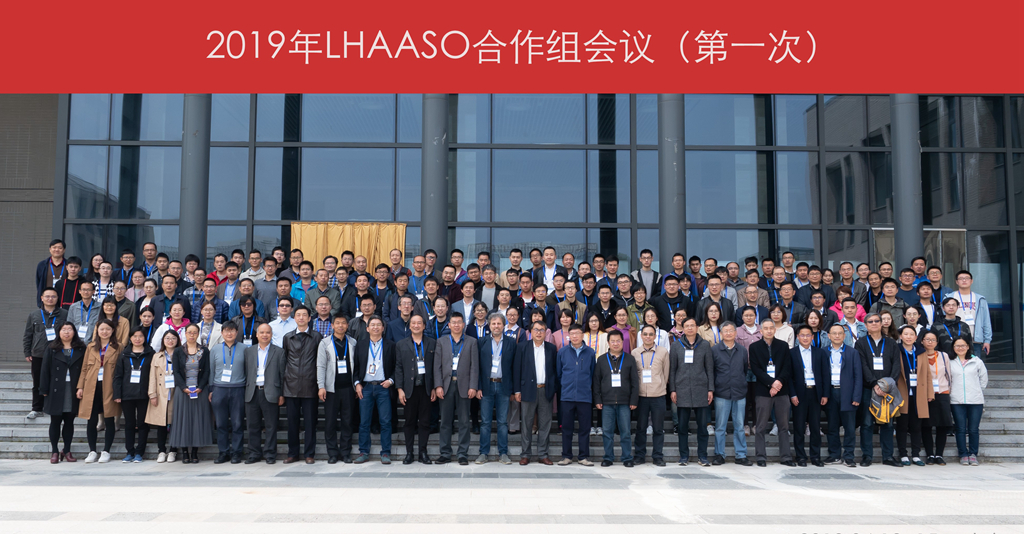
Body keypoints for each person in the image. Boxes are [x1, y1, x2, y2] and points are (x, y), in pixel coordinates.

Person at [433, 312, 478, 465]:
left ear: (464, 325)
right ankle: (445, 453)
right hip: (446, 385)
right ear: (449, 325)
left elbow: (474, 367)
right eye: (454, 322)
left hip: (465, 385)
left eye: (459, 322)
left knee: (464, 421)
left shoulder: (472, 342)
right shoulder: (441, 342)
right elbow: (437, 366)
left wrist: (473, 386)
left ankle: (462, 453)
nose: (457, 325)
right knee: (445, 421)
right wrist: (438, 385)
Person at [749, 318, 794, 467]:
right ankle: (761, 457)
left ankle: (786, 457)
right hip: (763, 390)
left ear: (775, 330)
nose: (769, 331)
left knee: (784, 426)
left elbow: (787, 367)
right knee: (761, 426)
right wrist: (771, 383)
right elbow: (756, 369)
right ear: (761, 331)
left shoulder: (783, 345)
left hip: (782, 390)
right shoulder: (754, 347)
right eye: (766, 328)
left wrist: (778, 382)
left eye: (771, 328)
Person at [669, 317, 715, 466]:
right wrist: (673, 389)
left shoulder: (705, 345)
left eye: (692, 325)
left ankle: (703, 456)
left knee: (702, 427)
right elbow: (672, 369)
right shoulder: (676, 346)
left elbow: (709, 369)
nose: (689, 328)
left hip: (701, 389)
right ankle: (684, 456)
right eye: (687, 326)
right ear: (683, 329)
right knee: (682, 427)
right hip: (682, 389)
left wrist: (710, 389)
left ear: (697, 328)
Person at [351, 315, 396, 464]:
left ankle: (386, 453)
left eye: (378, 325)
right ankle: (363, 452)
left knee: (385, 421)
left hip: (383, 387)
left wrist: (391, 381)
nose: (375, 327)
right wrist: (357, 383)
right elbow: (356, 367)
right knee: (364, 422)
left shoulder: (390, 345)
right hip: (366, 387)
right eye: (373, 325)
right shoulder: (361, 345)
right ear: (367, 328)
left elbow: (397, 366)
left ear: (383, 328)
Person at [473, 313, 516, 465]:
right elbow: (477, 366)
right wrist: (478, 387)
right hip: (486, 386)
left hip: (504, 385)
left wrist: (513, 389)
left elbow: (515, 367)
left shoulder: (511, 342)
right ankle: (483, 453)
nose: (496, 326)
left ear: (503, 325)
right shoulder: (482, 342)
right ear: (489, 325)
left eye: (499, 323)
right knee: (485, 422)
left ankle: (503, 453)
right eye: (493, 324)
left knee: (502, 422)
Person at [39, 322, 85, 463]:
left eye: (69, 329)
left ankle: (67, 450)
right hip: (55, 388)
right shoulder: (52, 348)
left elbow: (85, 369)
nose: (66, 332)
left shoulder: (81, 348)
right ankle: (54, 451)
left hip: (72, 388)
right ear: (59, 332)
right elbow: (45, 369)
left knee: (69, 421)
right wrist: (44, 389)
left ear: (74, 332)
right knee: (55, 421)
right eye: (63, 329)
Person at [76, 319, 120, 463]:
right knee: (91, 419)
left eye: (108, 329)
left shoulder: (118, 347)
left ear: (112, 331)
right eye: (102, 329)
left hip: (109, 386)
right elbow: (84, 368)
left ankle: (106, 451)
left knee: (109, 418)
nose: (104, 332)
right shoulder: (91, 346)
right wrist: (80, 387)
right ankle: (92, 451)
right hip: (91, 386)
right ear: (97, 331)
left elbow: (121, 370)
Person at [393, 314, 435, 465]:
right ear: (409, 326)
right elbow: (398, 368)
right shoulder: (401, 344)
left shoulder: (432, 343)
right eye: (413, 323)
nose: (416, 325)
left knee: (425, 422)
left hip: (426, 389)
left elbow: (435, 367)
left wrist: (435, 387)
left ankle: (423, 452)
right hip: (409, 390)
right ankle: (409, 452)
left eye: (419, 323)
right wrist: (399, 389)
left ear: (424, 326)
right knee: (409, 422)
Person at [514, 321, 558, 465]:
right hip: (527, 390)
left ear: (546, 332)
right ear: (531, 332)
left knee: (545, 424)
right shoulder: (522, 347)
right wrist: (517, 390)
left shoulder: (551, 348)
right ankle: (525, 454)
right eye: (536, 329)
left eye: (542, 330)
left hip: (546, 390)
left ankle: (543, 454)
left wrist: (553, 388)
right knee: (526, 423)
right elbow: (517, 369)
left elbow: (555, 370)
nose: (539, 332)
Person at [593, 329, 638, 467]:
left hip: (625, 401)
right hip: (607, 402)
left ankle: (627, 457)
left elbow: (635, 382)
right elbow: (596, 382)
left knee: (625, 432)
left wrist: (634, 400)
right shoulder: (601, 360)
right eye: (612, 341)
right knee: (607, 432)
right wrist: (597, 399)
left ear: (623, 342)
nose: (616, 343)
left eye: (618, 341)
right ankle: (608, 457)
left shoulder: (630, 359)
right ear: (608, 342)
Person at [169, 323, 213, 464]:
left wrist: (201, 387)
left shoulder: (204, 350)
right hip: (183, 391)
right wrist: (183, 387)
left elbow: (207, 371)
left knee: (197, 420)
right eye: (189, 332)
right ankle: (184, 452)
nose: (192, 335)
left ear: (198, 334)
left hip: (199, 390)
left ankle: (194, 451)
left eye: (195, 332)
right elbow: (176, 371)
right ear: (185, 334)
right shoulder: (178, 351)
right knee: (183, 420)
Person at [710, 322, 752, 466]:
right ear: (721, 333)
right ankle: (719, 454)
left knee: (739, 426)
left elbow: (744, 370)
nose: (728, 333)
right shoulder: (715, 350)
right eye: (725, 331)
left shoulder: (742, 350)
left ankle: (741, 455)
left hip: (739, 392)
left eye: (731, 331)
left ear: (735, 333)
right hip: (722, 392)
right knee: (720, 426)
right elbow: (712, 371)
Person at [244, 323, 285, 464]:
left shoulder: (279, 352)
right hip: (252, 392)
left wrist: (281, 394)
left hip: (271, 392)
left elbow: (282, 374)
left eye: (267, 332)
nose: (264, 335)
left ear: (271, 335)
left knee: (271, 426)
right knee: (252, 425)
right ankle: (254, 454)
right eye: (261, 332)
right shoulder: (249, 351)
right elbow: (246, 372)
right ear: (256, 334)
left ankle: (270, 454)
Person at [204, 321, 245, 464]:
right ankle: (223, 452)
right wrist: (211, 389)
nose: (229, 333)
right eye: (226, 331)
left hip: (238, 389)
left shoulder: (245, 348)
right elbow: (211, 370)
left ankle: (237, 452)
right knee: (221, 423)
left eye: (232, 330)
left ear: (236, 332)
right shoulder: (215, 349)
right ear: (222, 333)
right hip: (219, 389)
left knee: (237, 423)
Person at [25, 288, 69, 419]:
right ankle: (36, 408)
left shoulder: (64, 314)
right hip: (38, 354)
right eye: (47, 296)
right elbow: (28, 334)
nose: (50, 299)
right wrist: (27, 351)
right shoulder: (34, 315)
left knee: (57, 381)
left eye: (53, 296)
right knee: (38, 382)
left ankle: (54, 407)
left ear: (57, 298)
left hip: (59, 353)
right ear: (42, 298)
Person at [822, 323, 862, 468]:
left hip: (847, 393)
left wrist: (856, 397)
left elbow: (858, 376)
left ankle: (849, 456)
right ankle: (834, 455)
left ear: (844, 336)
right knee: (832, 426)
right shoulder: (823, 352)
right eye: (834, 333)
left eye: (840, 333)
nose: (837, 336)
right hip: (830, 392)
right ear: (829, 336)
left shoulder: (852, 352)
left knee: (849, 428)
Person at [556, 324, 596, 466]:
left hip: (584, 396)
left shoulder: (590, 352)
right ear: (569, 336)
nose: (574, 336)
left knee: (584, 428)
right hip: (567, 396)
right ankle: (566, 456)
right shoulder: (562, 352)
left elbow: (592, 373)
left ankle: (583, 457)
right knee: (567, 428)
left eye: (577, 333)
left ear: (582, 335)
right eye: (572, 333)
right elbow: (559, 373)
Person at [113, 327, 154, 462]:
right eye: (134, 336)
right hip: (127, 394)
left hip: (144, 394)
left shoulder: (150, 354)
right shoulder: (124, 354)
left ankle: (139, 452)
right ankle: (129, 451)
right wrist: (117, 394)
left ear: (145, 338)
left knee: (142, 424)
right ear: (130, 338)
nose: (137, 339)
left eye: (140, 336)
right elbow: (118, 376)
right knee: (129, 424)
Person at [895, 324, 933, 467]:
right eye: (906, 334)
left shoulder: (921, 352)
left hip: (919, 394)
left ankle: (916, 455)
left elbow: (928, 374)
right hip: (902, 393)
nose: (909, 337)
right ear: (901, 336)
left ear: (916, 337)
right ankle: (903, 454)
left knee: (917, 427)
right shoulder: (897, 351)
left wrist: (930, 393)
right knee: (902, 426)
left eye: (911, 334)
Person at [632, 324, 670, 467]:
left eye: (651, 334)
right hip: (641, 395)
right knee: (641, 427)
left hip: (658, 394)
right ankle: (639, 455)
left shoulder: (663, 352)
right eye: (645, 334)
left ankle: (658, 456)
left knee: (658, 428)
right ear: (641, 336)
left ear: (655, 336)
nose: (648, 337)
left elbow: (666, 373)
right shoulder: (635, 353)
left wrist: (660, 385)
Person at [790, 324, 827, 467]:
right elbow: (788, 377)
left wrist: (825, 394)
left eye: (808, 335)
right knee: (799, 426)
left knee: (815, 426)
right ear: (797, 337)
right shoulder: (791, 353)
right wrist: (792, 394)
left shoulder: (820, 353)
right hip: (799, 393)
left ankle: (815, 456)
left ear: (812, 337)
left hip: (815, 392)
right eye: (802, 335)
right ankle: (800, 457)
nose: (805, 338)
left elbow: (825, 374)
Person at [949, 336, 987, 466]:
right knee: (960, 429)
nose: (960, 348)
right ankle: (963, 454)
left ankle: (973, 454)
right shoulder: (950, 362)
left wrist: (976, 390)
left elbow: (983, 380)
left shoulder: (977, 361)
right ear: (953, 348)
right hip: (956, 400)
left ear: (968, 347)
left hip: (975, 400)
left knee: (973, 429)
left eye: (963, 345)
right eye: (957, 346)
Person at [918, 331, 952, 465]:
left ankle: (939, 454)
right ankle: (930, 454)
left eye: (933, 339)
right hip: (926, 395)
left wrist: (949, 391)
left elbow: (949, 375)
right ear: (922, 341)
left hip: (942, 393)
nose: (930, 342)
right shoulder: (919, 356)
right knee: (926, 426)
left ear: (937, 342)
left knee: (942, 426)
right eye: (927, 339)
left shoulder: (944, 356)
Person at [146, 329, 180, 463]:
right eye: (167, 338)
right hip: (160, 393)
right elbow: (152, 377)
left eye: (173, 338)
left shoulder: (181, 354)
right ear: (163, 341)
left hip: (176, 392)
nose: (170, 341)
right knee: (161, 424)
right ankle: (161, 450)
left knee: (175, 423)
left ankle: (173, 450)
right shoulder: (157, 356)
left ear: (177, 340)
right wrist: (152, 394)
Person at [947, 270, 992, 358]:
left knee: (974, 364)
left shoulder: (980, 299)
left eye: (967, 278)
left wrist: (987, 340)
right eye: (961, 278)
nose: (964, 280)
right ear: (957, 282)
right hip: (954, 339)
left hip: (974, 340)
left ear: (971, 281)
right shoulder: (949, 297)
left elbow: (986, 320)